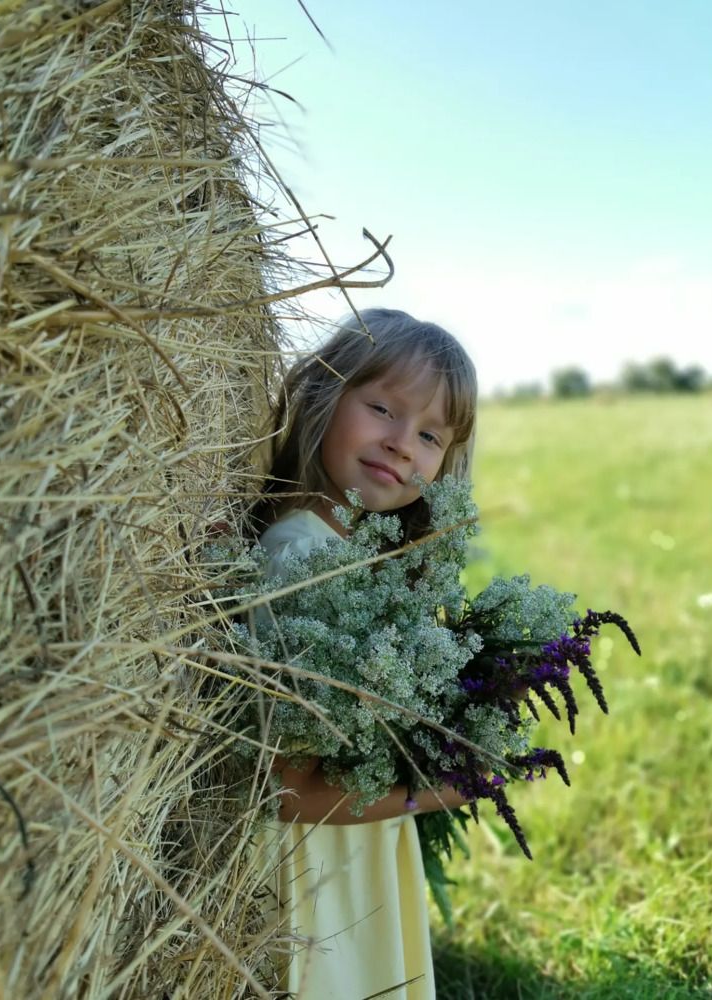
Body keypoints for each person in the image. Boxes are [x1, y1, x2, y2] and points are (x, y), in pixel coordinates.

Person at [252, 308, 478, 999]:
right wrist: (452, 787)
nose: (402, 443)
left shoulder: (351, 557)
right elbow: (288, 792)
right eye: (382, 407)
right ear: (324, 395)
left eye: (431, 435)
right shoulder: (301, 560)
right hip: (316, 877)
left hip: (355, 849)